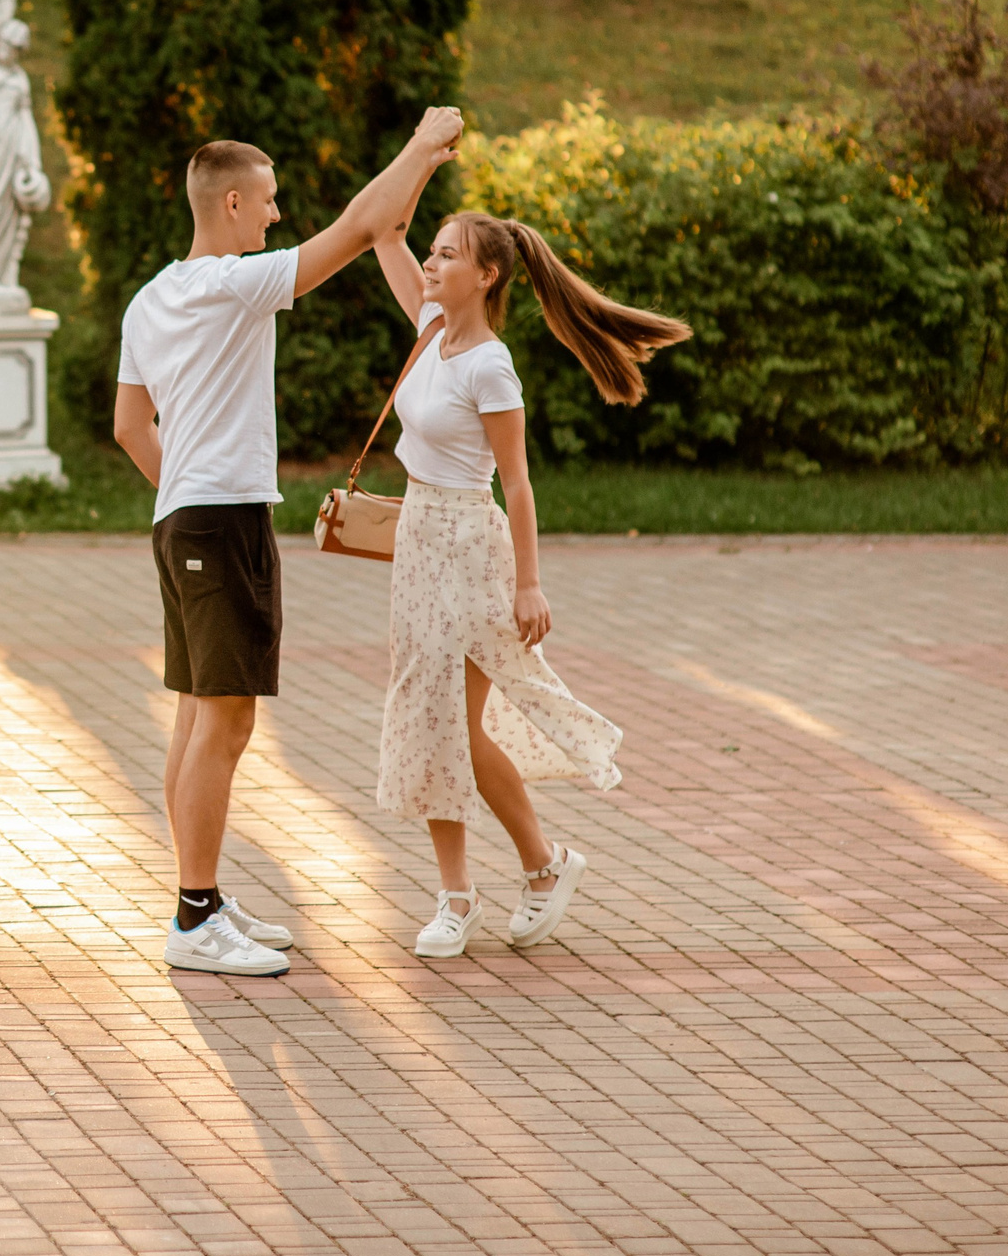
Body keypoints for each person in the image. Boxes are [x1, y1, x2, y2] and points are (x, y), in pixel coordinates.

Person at [114, 109, 466, 978]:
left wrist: (183, 493)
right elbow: (356, 229)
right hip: (217, 519)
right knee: (225, 719)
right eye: (268, 202)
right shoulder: (227, 284)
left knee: (201, 712)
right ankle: (195, 918)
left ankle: (202, 897)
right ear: (232, 202)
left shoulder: (153, 294)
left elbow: (129, 427)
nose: (276, 216)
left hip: (188, 518)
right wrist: (420, 147)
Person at [367, 212, 689, 959]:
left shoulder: (490, 364)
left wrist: (530, 584)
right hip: (417, 540)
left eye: (448, 254)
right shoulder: (428, 326)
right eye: (433, 250)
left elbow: (516, 483)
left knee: (453, 725)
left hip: (471, 549)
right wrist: (422, 151)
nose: (431, 261)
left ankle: (536, 869)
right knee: (426, 720)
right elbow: (382, 230)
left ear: (487, 276)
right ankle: (466, 890)